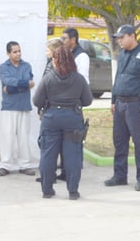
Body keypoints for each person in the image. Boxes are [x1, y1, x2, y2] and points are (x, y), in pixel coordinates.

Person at [104, 24, 140, 191]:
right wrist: (113, 101)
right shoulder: (122, 55)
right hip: (120, 104)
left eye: (122, 37)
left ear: (132, 36)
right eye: (118, 38)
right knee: (119, 141)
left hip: (136, 104)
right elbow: (118, 78)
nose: (119, 41)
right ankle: (119, 175)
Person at [33, 46, 92, 200]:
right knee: (72, 156)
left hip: (51, 118)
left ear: (55, 60)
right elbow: (87, 100)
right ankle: (73, 191)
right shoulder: (79, 79)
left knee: (48, 155)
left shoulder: (48, 78)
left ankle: (47, 190)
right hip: (72, 118)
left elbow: (37, 101)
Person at [0, 41, 36, 177]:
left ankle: (25, 165)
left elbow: (25, 82)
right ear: (8, 53)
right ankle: (5, 165)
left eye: (19, 51)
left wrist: (11, 88)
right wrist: (23, 84)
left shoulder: (26, 66)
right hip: (9, 107)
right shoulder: (3, 67)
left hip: (24, 106)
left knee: (24, 137)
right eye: (14, 52)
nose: (18, 54)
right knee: (7, 136)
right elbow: (7, 81)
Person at [59, 28, 90, 181]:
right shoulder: (67, 54)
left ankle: (73, 169)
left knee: (74, 139)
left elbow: (82, 80)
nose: (62, 41)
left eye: (64, 38)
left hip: (74, 102)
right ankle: (65, 169)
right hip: (65, 101)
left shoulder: (81, 56)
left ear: (73, 39)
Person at [35, 38, 64, 183]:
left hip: (53, 109)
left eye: (47, 50)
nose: (45, 52)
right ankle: (48, 173)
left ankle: (50, 175)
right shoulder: (49, 64)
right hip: (46, 107)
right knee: (45, 143)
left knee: (49, 144)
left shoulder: (58, 67)